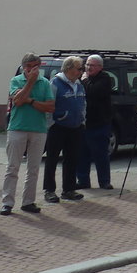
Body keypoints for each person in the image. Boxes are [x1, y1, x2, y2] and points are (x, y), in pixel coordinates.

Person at [0, 53, 55, 215]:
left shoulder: (45, 83)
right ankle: (7, 202)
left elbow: (50, 107)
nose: (33, 70)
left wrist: (30, 101)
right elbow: (17, 101)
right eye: (29, 66)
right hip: (17, 128)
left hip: (38, 129)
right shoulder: (16, 80)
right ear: (24, 67)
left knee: (33, 168)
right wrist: (30, 82)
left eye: (36, 66)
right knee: (12, 167)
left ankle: (28, 201)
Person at [43, 56, 86, 203]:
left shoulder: (79, 84)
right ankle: (49, 190)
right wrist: (51, 124)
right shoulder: (55, 83)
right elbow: (49, 105)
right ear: (69, 69)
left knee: (72, 159)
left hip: (75, 126)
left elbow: (83, 103)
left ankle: (68, 189)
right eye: (79, 68)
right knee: (52, 159)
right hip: (58, 127)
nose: (82, 71)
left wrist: (82, 119)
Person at [76, 55, 114, 190]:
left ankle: (104, 181)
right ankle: (83, 181)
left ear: (100, 67)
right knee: (82, 154)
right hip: (83, 123)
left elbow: (93, 92)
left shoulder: (105, 79)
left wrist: (85, 81)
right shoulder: (80, 78)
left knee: (101, 154)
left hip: (100, 123)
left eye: (92, 65)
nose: (88, 67)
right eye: (87, 65)